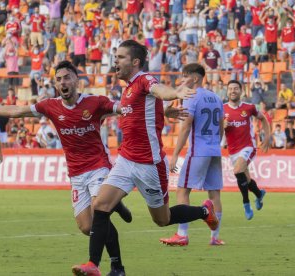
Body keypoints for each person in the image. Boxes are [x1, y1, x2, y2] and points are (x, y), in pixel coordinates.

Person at [0, 60, 140, 275]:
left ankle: (116, 267)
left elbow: (125, 108)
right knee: (88, 227)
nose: (63, 82)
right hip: (76, 174)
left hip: (98, 167)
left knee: (100, 210)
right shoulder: (50, 106)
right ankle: (115, 205)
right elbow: (18, 111)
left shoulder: (95, 102)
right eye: (58, 79)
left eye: (67, 77)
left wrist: (158, 110)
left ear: (77, 80)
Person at [71, 41, 219, 275]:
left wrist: (175, 94)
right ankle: (95, 265)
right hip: (126, 160)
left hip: (149, 164)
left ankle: (204, 211)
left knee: (162, 219)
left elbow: (159, 90)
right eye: (115, 56)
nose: (115, 61)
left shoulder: (144, 79)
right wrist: (164, 111)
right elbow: (146, 109)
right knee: (100, 205)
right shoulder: (128, 87)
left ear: (135, 62)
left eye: (120, 57)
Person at [159, 63, 225, 247]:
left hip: (198, 151)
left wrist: (175, 155)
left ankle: (182, 234)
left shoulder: (191, 96)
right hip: (214, 151)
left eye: (185, 77)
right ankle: (215, 238)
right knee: (215, 194)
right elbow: (220, 128)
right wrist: (214, 145)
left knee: (182, 190)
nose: (182, 80)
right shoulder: (216, 98)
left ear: (195, 78)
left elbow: (186, 127)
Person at [223, 80, 270, 220]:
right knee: (246, 179)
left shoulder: (249, 107)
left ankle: (246, 203)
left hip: (248, 146)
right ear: (227, 91)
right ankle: (259, 194)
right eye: (230, 88)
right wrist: (222, 125)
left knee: (237, 171)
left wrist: (267, 137)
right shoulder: (221, 108)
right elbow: (216, 128)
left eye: (236, 88)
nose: (233, 91)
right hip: (232, 150)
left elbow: (264, 119)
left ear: (241, 91)